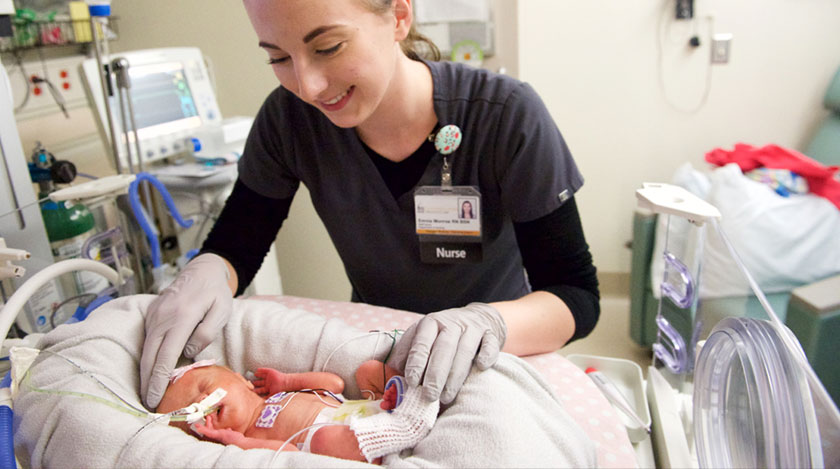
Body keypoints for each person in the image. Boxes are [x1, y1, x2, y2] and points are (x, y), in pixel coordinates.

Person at [141, 0, 600, 411]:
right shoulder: (289, 121)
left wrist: (487, 324)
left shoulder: (505, 115)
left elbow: (574, 295)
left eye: (328, 47)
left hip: (498, 352)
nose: (308, 86)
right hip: (377, 359)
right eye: (278, 58)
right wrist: (208, 271)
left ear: (399, 16)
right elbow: (236, 246)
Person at [157, 360, 437, 463]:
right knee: (324, 439)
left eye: (204, 386)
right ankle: (401, 427)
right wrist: (239, 442)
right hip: (340, 444)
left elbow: (334, 385)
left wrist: (289, 381)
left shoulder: (276, 394)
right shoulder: (250, 439)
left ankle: (402, 397)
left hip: (362, 410)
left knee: (368, 371)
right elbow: (289, 454)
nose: (202, 400)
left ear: (242, 381)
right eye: (190, 411)